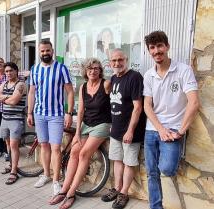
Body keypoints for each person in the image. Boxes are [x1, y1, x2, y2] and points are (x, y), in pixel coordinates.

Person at [143, 31, 199, 209]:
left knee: (166, 168)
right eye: (152, 47)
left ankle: (174, 153)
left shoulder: (183, 70)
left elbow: (194, 102)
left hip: (175, 129)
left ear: (167, 46)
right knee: (152, 173)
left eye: (160, 46)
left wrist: (181, 131)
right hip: (153, 129)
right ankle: (156, 206)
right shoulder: (148, 75)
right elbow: (147, 105)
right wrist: (160, 129)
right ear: (149, 51)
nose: (156, 50)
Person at [49, 58, 111, 209]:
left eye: (96, 68)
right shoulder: (83, 87)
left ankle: (71, 193)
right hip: (86, 125)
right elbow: (81, 110)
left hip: (102, 124)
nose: (93, 71)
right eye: (90, 69)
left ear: (100, 70)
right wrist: (77, 133)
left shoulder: (106, 84)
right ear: (85, 71)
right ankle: (63, 190)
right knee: (74, 152)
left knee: (84, 154)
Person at [27, 40, 74, 196]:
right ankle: (46, 175)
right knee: (44, 145)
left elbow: (70, 91)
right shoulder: (34, 69)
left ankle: (56, 180)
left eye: (47, 50)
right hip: (39, 114)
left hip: (56, 115)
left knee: (55, 148)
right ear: (39, 53)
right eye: (42, 51)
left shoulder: (61, 68)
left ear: (52, 51)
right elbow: (32, 92)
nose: (45, 53)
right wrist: (29, 112)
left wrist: (69, 112)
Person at [100, 49, 146, 209]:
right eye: (113, 61)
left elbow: (138, 107)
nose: (117, 63)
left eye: (120, 60)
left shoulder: (135, 77)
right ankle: (117, 188)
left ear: (126, 60)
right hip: (116, 130)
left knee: (129, 162)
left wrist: (130, 131)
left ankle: (124, 193)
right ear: (110, 62)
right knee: (117, 161)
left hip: (130, 132)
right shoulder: (113, 78)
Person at [0, 62, 27, 185]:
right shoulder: (5, 83)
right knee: (8, 144)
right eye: (6, 71)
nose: (8, 73)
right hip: (5, 118)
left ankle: (14, 171)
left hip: (16, 119)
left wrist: (4, 98)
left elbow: (14, 101)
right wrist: (8, 97)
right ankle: (11, 164)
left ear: (16, 71)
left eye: (10, 71)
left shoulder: (21, 84)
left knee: (14, 145)